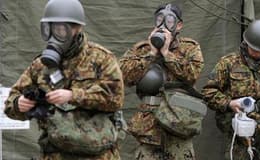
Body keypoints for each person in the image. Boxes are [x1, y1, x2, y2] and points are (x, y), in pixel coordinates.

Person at [4, 0, 124, 159]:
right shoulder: (40, 65)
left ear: (78, 28)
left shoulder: (102, 59)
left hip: (98, 154)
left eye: (61, 29)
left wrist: (73, 96)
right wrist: (19, 104)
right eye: (51, 28)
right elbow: (10, 104)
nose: (55, 34)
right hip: (55, 153)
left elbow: (115, 99)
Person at [120, 3, 204, 160]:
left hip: (179, 125)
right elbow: (124, 76)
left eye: (169, 21)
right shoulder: (142, 49)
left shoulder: (190, 48)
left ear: (178, 25)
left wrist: (166, 53)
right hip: (149, 128)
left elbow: (192, 74)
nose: (163, 24)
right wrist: (152, 53)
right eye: (159, 19)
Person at [202, 20, 260, 160]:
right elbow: (208, 92)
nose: (258, 53)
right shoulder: (228, 63)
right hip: (241, 135)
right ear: (246, 43)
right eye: (254, 49)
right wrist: (229, 103)